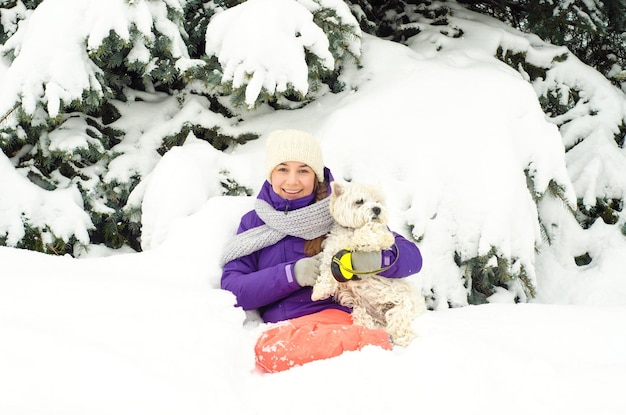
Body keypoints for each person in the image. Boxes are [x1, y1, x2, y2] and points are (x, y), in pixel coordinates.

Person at [220, 129, 423, 373]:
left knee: (275, 350)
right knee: (270, 349)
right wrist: (291, 275)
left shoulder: (343, 208)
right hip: (287, 325)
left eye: (303, 170)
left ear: (316, 176)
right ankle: (366, 344)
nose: (292, 180)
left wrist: (374, 260)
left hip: (341, 315)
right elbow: (234, 289)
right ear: (270, 174)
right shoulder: (254, 223)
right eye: (283, 169)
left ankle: (370, 343)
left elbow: (411, 256)